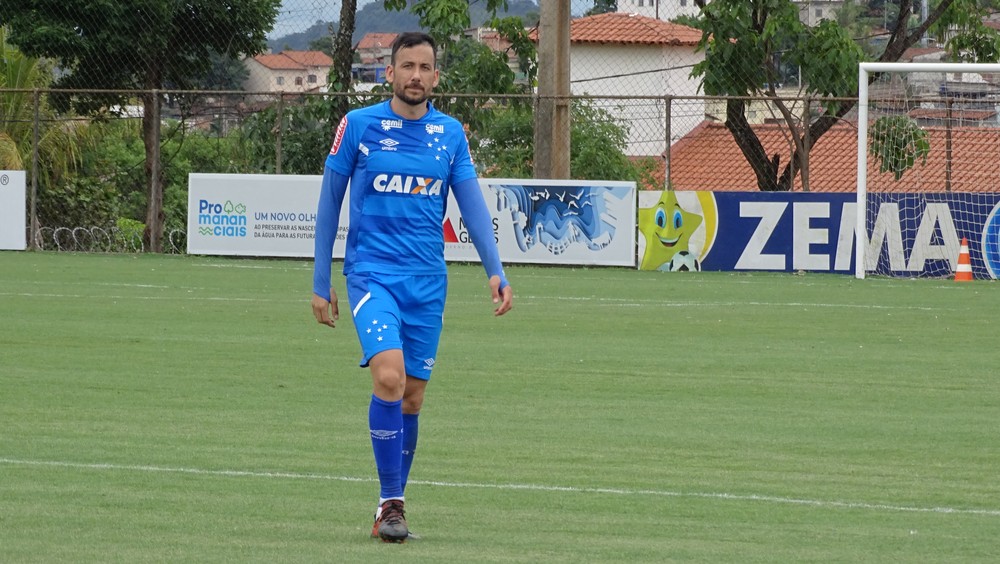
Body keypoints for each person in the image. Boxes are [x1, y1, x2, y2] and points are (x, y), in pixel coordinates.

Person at [311, 31, 514, 543]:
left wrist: (495, 269)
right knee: (389, 377)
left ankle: (392, 504)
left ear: (436, 77)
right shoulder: (358, 125)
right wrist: (321, 279)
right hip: (371, 275)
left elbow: (471, 205)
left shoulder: (451, 134)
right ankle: (390, 504)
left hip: (427, 282)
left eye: (425, 67)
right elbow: (329, 202)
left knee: (413, 398)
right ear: (389, 72)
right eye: (407, 66)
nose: (416, 76)